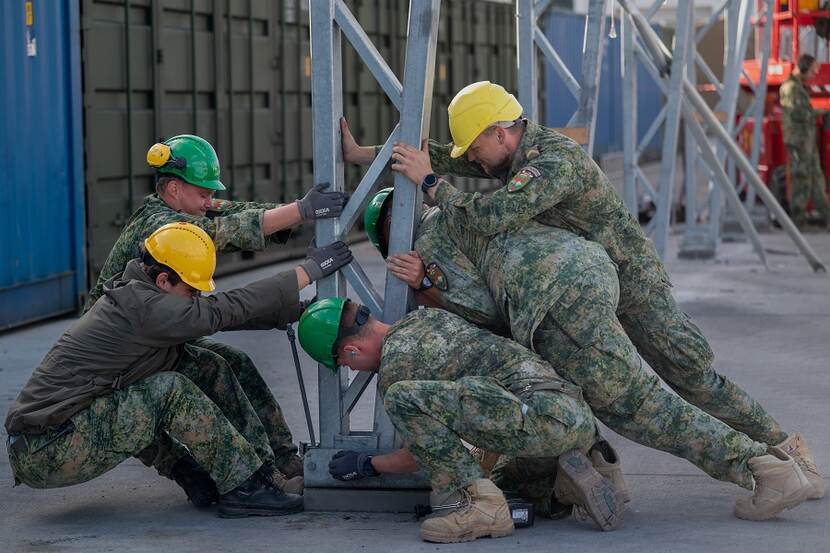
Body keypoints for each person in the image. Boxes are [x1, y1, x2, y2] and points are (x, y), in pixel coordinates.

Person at [343, 81, 825, 501]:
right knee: (623, 390)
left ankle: (783, 452)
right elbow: (444, 154)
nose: (469, 158)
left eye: (475, 148)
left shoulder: (553, 160)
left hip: (630, 286)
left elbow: (487, 216)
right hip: (587, 284)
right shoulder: (509, 152)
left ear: (500, 132)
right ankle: (756, 465)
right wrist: (366, 156)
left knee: (690, 380)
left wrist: (429, 185)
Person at [362, 188, 816, 522]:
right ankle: (591, 466)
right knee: (573, 387)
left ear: (392, 239)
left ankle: (762, 467)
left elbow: (482, 307)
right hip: (587, 271)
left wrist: (426, 286)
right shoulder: (463, 206)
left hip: (553, 305)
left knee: (639, 406)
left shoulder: (430, 239)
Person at [5, 222, 353, 518]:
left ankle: (274, 467)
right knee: (169, 390)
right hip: (47, 449)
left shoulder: (145, 295)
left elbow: (213, 316)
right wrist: (306, 272)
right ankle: (244, 488)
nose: (196, 298)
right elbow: (219, 312)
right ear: (162, 281)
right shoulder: (141, 308)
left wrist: (298, 310)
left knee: (213, 363)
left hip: (76, 424)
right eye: (191, 290)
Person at [87, 134, 349, 493]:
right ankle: (260, 474)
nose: (210, 200)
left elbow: (233, 211)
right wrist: (302, 212)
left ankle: (283, 459)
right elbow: (217, 231)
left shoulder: (177, 204)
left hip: (149, 333)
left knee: (234, 363)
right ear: (174, 188)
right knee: (215, 371)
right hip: (121, 351)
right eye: (203, 193)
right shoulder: (160, 224)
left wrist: (297, 211)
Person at [297, 298, 623, 542]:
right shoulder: (427, 318)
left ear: (353, 350)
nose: (351, 369)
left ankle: (484, 507)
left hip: (537, 421)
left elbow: (423, 454)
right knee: (507, 482)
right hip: (570, 411)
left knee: (402, 398)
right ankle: (568, 479)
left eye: (343, 363)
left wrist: (369, 464)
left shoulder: (396, 368)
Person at [779, 53, 830, 229]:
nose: (814, 75)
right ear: (803, 68)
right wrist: (821, 112)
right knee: (802, 178)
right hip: (798, 141)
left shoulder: (799, 87)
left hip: (807, 140)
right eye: (813, 71)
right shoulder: (790, 88)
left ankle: (827, 216)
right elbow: (797, 113)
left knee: (816, 178)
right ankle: (798, 221)